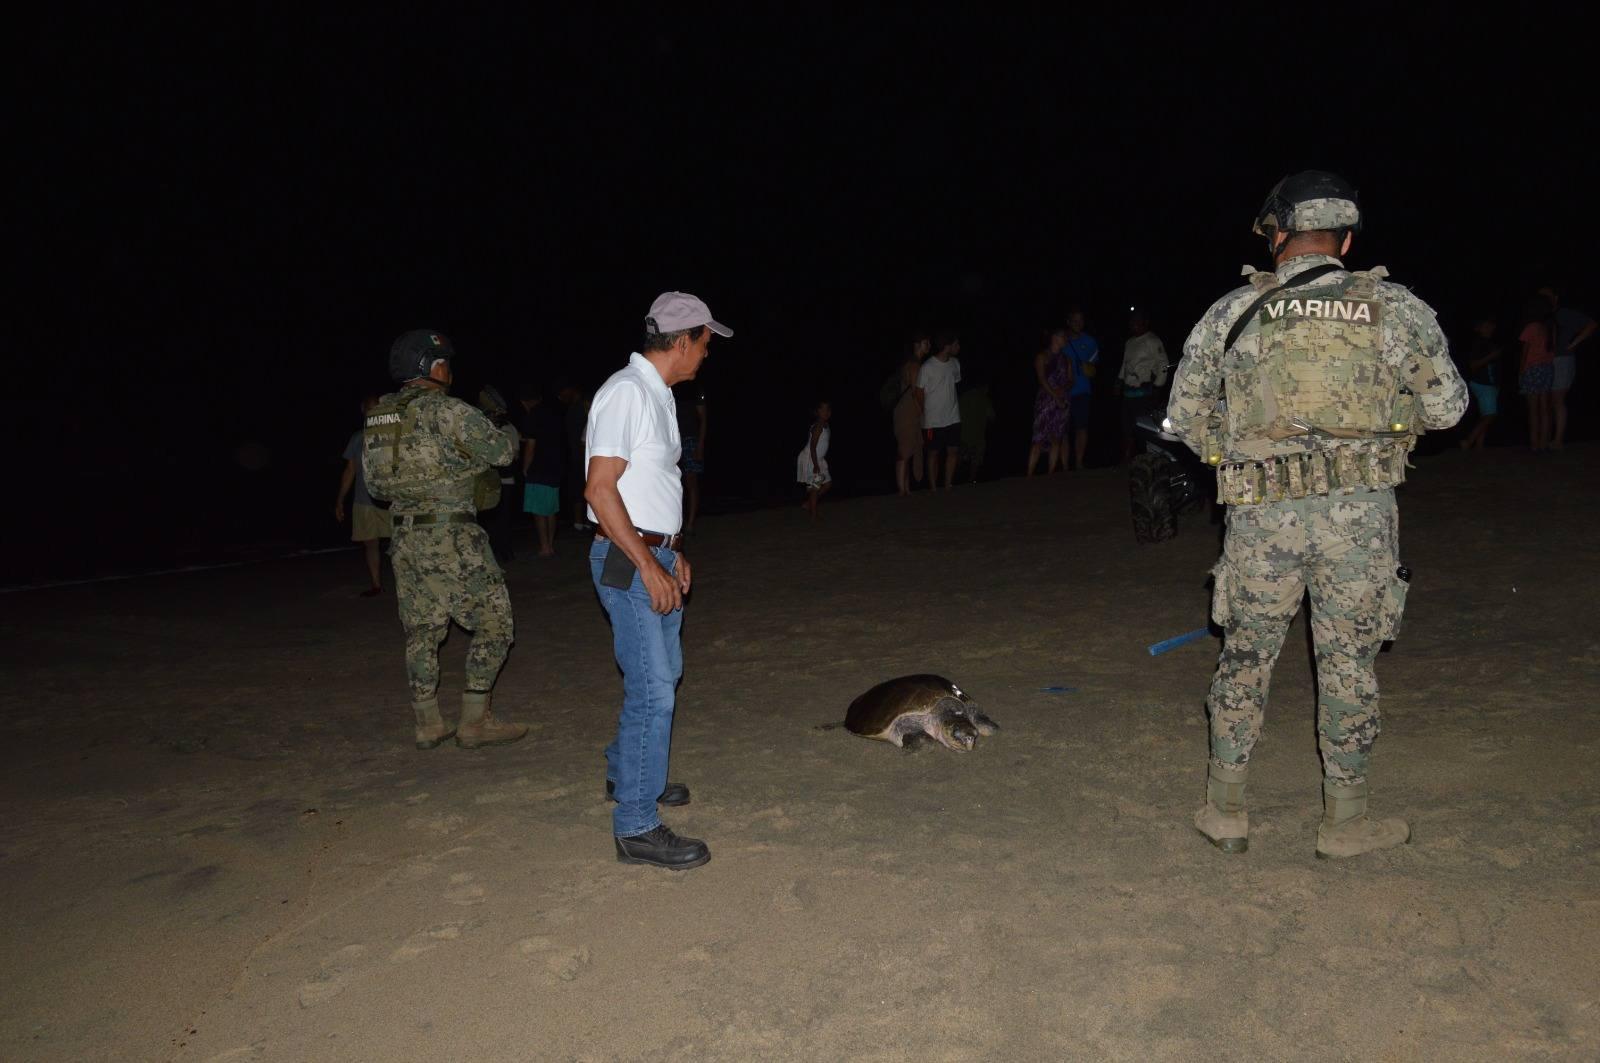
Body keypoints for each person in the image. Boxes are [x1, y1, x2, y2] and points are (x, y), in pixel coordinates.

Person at [1167, 171, 1466, 860]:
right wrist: (1388, 426)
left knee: (1245, 658)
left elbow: (1183, 415)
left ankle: (1226, 811)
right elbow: (1450, 408)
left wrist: (1233, 449)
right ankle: (1345, 822)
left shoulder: (1232, 312)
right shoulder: (1395, 308)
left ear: (1276, 237)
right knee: (1349, 665)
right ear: (1347, 241)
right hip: (1358, 519)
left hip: (1261, 516)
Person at [584, 291, 731, 871]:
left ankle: (629, 772)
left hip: (653, 553)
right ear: (682, 341)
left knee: (660, 675)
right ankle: (636, 827)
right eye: (705, 342)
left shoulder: (658, 394)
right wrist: (648, 564)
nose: (708, 353)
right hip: (628, 560)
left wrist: (673, 551)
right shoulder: (626, 392)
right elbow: (600, 490)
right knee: (653, 689)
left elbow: (650, 486)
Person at [362, 330, 529, 751]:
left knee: (421, 630)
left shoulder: (380, 416)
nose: (449, 371)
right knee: (495, 623)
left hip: (404, 537)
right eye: (445, 363)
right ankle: (475, 720)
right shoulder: (448, 410)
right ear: (432, 366)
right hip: (452, 535)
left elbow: (376, 486)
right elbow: (503, 453)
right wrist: (497, 424)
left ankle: (428, 723)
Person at [335, 395, 392, 597]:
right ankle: (376, 585)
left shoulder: (394, 434)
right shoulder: (358, 437)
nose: (372, 413)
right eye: (369, 409)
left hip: (392, 500)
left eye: (376, 409)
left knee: (401, 542)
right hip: (364, 499)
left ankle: (409, 584)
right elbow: (350, 470)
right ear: (363, 411)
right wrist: (340, 500)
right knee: (370, 543)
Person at [1539, 286, 1596, 450]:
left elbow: (1591, 324)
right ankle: (1549, 439)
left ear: (1555, 297)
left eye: (1546, 295)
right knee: (1550, 401)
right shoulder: (1547, 316)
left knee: (1558, 400)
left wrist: (1573, 344)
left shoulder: (1564, 313)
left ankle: (1558, 440)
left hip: (1562, 360)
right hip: (1550, 361)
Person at [475, 385, 521, 565]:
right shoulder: (480, 426)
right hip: (483, 482)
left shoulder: (508, 428)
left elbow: (514, 455)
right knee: (486, 521)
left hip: (505, 480)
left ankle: (505, 551)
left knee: (504, 519)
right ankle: (489, 554)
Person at [517, 383, 564, 557]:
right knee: (551, 509)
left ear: (524, 402)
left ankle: (545, 547)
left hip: (539, 468)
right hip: (556, 466)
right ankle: (550, 545)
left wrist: (525, 467)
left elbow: (532, 444)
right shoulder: (554, 413)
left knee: (538, 510)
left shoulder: (533, 415)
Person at [1118, 310, 1169, 464]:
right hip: (1128, 392)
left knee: (1146, 428)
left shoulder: (1153, 340)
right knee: (1127, 428)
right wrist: (1119, 380)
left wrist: (1157, 386)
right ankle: (1127, 460)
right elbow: (1125, 364)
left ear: (1145, 323)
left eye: (1137, 322)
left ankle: (1151, 459)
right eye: (1132, 322)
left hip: (1145, 393)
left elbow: (1163, 365)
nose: (1134, 325)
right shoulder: (1129, 342)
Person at [916, 332, 962, 491]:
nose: (958, 347)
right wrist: (925, 410)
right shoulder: (927, 367)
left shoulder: (955, 363)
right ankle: (934, 488)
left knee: (953, 450)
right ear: (947, 346)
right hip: (933, 419)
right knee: (933, 453)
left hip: (953, 416)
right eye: (956, 344)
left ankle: (948, 485)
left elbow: (954, 384)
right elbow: (919, 391)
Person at [1027, 329, 1071, 476]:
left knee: (1056, 438)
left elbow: (1071, 380)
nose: (1066, 339)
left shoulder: (1067, 359)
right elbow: (1041, 379)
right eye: (1063, 336)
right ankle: (1029, 474)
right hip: (1045, 401)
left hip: (1062, 400)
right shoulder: (1042, 357)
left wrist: (1062, 390)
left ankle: (1050, 473)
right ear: (1055, 337)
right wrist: (1055, 395)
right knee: (1038, 439)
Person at [892, 336, 930, 495]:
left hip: (906, 410)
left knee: (909, 449)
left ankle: (906, 488)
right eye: (926, 343)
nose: (929, 345)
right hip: (907, 411)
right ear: (917, 345)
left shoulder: (913, 363)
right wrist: (922, 411)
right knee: (905, 449)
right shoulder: (914, 365)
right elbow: (916, 393)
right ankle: (902, 489)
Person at [1063, 308, 1100, 470]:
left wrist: (1088, 367)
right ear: (1068, 322)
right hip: (1062, 392)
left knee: (1081, 427)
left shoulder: (1090, 342)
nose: (1078, 323)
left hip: (1082, 390)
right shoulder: (1061, 340)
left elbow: (1094, 367)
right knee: (1063, 430)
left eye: (1081, 320)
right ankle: (1064, 465)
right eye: (1075, 320)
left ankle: (1079, 462)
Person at [1459, 317, 1503, 451]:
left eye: (1491, 325)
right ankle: (1468, 441)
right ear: (1478, 328)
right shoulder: (1479, 344)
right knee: (1490, 415)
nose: (1490, 328)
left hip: (1490, 383)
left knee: (1485, 414)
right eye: (1486, 325)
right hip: (1483, 383)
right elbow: (1473, 365)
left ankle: (1479, 445)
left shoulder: (1489, 343)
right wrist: (1491, 356)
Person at [1518, 296, 1555, 451]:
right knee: (1545, 408)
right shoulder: (1549, 327)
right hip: (1547, 368)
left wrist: (1521, 371)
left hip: (1532, 368)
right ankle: (1543, 442)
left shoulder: (1531, 327)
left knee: (1533, 409)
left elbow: (1525, 352)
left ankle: (1534, 444)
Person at [558, 382, 594, 534]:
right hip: (580, 457)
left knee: (582, 489)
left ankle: (585, 522)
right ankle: (582, 522)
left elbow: (581, 440)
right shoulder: (575, 410)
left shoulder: (580, 410)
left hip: (583, 458)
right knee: (580, 489)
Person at [674, 382, 708, 533]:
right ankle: (677, 521)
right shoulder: (671, 387)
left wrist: (700, 445)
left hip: (691, 441)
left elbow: (703, 419)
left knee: (691, 482)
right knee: (673, 483)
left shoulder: (696, 389)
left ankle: (691, 522)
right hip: (673, 441)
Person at [797, 399, 833, 518]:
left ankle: (809, 504)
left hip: (819, 459)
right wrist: (815, 464)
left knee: (827, 484)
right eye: (822, 409)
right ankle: (813, 515)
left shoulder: (825, 425)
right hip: (811, 459)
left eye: (827, 409)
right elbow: (812, 447)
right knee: (815, 487)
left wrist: (819, 462)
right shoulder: (818, 426)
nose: (826, 412)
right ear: (817, 412)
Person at [957, 373, 995, 482]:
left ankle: (954, 480)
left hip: (963, 435)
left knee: (958, 459)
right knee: (975, 461)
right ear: (983, 387)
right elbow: (992, 417)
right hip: (978, 437)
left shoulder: (963, 397)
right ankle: (972, 481)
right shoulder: (984, 399)